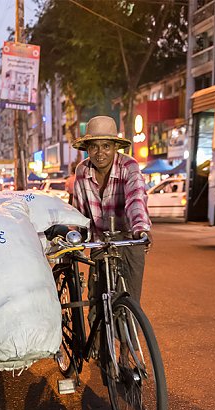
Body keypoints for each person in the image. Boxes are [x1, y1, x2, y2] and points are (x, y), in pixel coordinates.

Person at [72, 115, 152, 307]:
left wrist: (140, 228)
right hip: (99, 243)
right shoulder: (82, 171)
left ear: (115, 147)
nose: (100, 153)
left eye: (106, 146)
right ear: (87, 149)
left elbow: (136, 200)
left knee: (130, 303)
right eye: (94, 147)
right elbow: (79, 211)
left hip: (129, 239)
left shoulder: (129, 166)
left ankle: (130, 336)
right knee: (98, 305)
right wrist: (74, 237)